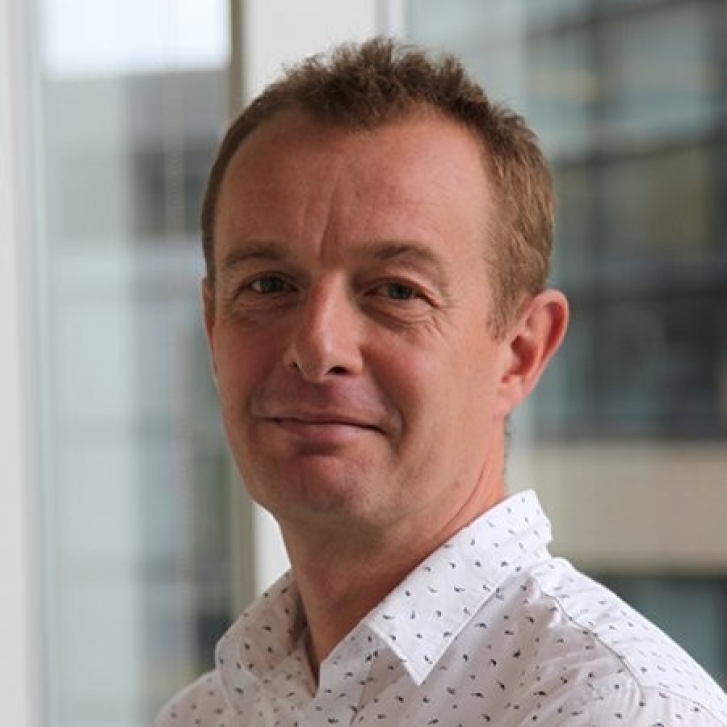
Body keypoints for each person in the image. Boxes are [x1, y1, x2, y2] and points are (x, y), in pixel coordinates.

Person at [156, 38, 727, 726]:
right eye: (269, 285)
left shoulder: (621, 710)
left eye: (397, 290)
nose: (318, 347)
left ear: (520, 353)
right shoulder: (203, 714)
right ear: (213, 325)